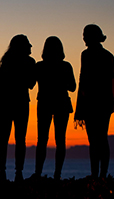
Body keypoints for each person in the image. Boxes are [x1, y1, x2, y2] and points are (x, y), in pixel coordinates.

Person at [74, 24, 114, 178]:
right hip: (105, 101)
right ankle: (101, 175)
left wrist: (79, 108)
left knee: (94, 140)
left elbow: (82, 81)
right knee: (101, 138)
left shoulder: (86, 55)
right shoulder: (108, 55)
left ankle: (96, 174)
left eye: (85, 34)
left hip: (92, 101)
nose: (83, 37)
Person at [32, 36, 76, 180]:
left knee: (42, 140)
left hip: (44, 103)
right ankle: (57, 174)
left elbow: (30, 83)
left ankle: (38, 173)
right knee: (60, 140)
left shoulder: (39, 66)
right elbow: (73, 87)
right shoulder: (66, 66)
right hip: (61, 103)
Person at [0, 34, 36, 183]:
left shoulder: (6, 62)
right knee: (20, 139)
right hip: (20, 102)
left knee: (4, 138)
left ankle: (3, 173)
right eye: (28, 44)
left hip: (5, 103)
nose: (31, 47)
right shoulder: (30, 62)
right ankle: (18, 173)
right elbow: (31, 84)